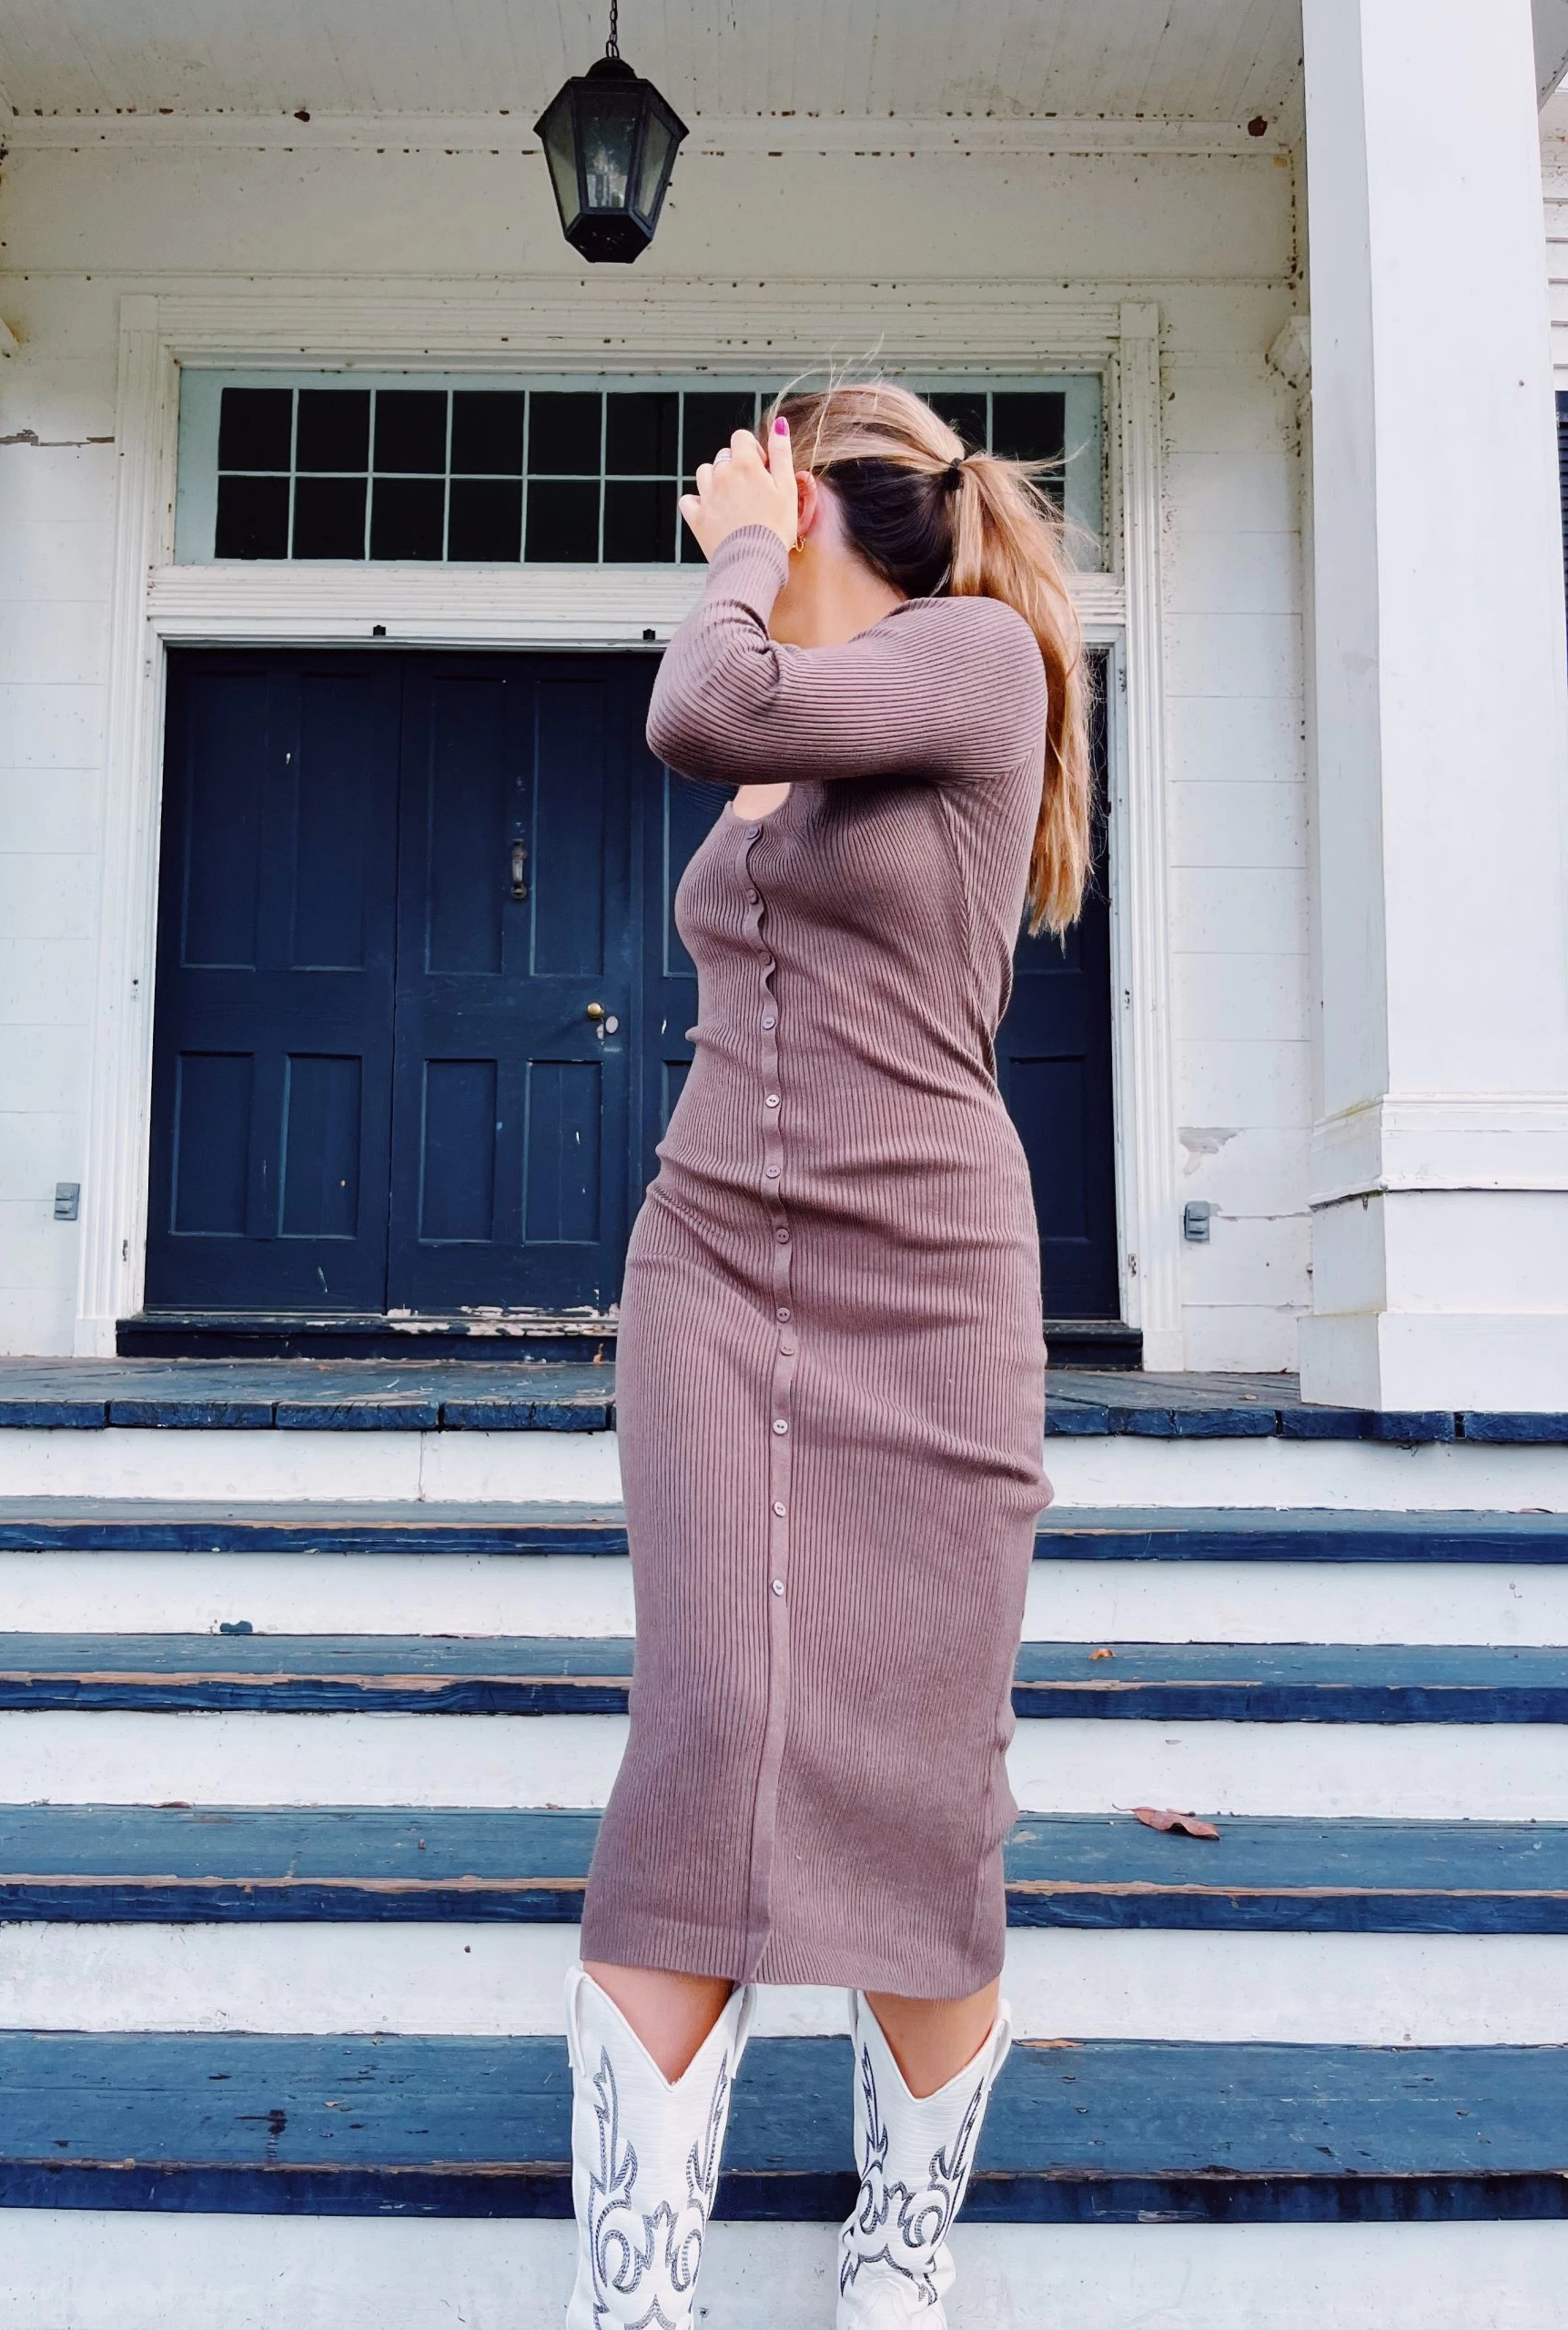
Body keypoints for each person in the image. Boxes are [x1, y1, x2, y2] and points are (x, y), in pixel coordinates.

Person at [562, 378, 1092, 2329]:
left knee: (919, 1774)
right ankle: (638, 2296)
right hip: (712, 1263)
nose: (727, 526)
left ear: (820, 505)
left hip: (928, 1290)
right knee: (706, 1730)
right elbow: (734, 718)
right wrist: (752, 569)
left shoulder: (974, 658)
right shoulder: (800, 715)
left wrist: (736, 550)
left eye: (761, 493)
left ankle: (899, 2248)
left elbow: (699, 706)